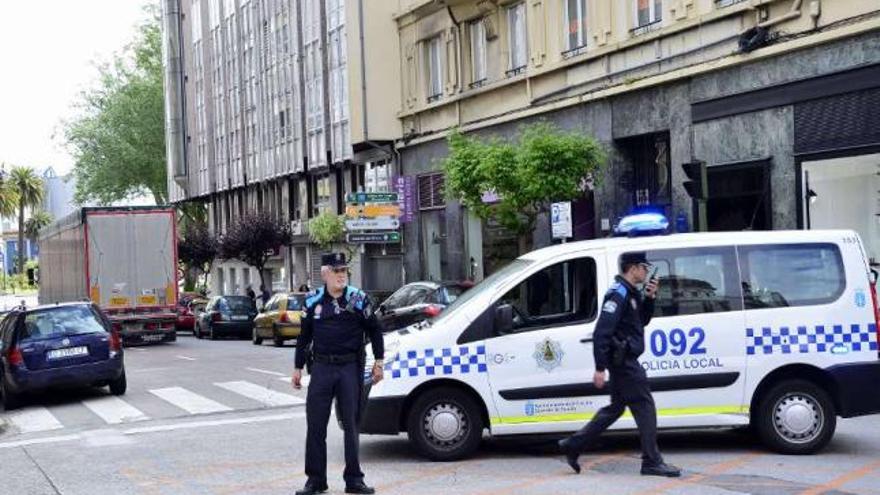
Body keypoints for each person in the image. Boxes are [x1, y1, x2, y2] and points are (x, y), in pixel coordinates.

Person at [558, 252, 681, 478]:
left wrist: (650, 298)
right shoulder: (618, 294)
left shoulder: (631, 293)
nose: (646, 272)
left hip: (624, 361)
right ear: (632, 268)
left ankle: (573, 445)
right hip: (624, 363)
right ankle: (652, 461)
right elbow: (602, 332)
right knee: (645, 406)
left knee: (615, 409)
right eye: (644, 267)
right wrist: (599, 367)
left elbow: (640, 322)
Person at [292, 252, 385, 495]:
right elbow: (303, 337)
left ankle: (354, 479)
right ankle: (315, 480)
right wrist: (297, 368)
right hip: (321, 368)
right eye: (336, 271)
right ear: (324, 274)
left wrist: (379, 362)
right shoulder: (312, 301)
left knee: (352, 425)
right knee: (316, 426)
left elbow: (375, 330)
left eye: (344, 270)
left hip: (349, 368)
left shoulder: (358, 299)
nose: (341, 275)